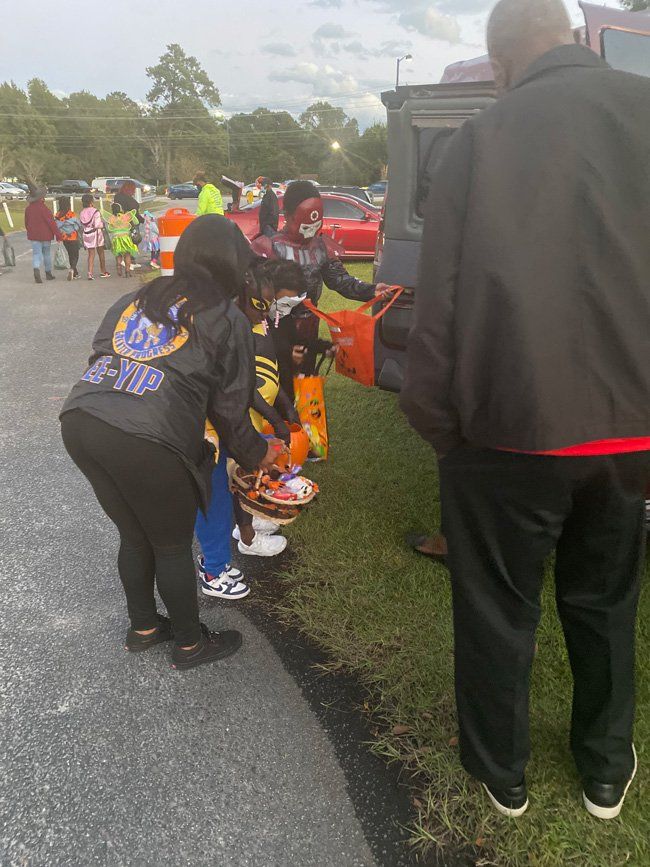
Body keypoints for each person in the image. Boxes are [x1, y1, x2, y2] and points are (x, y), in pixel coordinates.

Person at [400, 0, 650, 821]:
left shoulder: (479, 140)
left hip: (506, 430)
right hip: (629, 431)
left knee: (497, 609)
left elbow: (437, 301)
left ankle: (501, 771)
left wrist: (439, 424)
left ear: (502, 65)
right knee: (605, 602)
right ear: (575, 39)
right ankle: (604, 768)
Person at [60, 215, 283, 671]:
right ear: (232, 265)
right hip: (147, 438)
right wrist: (261, 454)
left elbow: (102, 353)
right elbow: (231, 410)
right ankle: (189, 644)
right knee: (171, 545)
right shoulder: (227, 318)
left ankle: (144, 627)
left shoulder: (134, 298)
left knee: (135, 534)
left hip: (82, 420)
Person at [251, 181, 393, 396]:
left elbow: (339, 280)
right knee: (276, 385)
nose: (310, 232)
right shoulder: (267, 247)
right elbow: (252, 297)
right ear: (287, 216)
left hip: (309, 328)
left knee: (307, 387)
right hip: (274, 330)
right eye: (305, 226)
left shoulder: (320, 246)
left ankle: (305, 415)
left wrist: (371, 290)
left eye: (315, 226)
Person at [24, 184, 62, 284]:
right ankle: (48, 273)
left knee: (36, 254)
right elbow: (52, 223)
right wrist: (58, 235)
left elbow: (26, 223)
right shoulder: (45, 209)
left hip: (34, 236)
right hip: (46, 235)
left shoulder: (28, 209)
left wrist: (30, 231)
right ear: (41, 198)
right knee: (46, 254)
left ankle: (36, 269)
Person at [102, 202, 139, 278]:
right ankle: (127, 271)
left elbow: (109, 230)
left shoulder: (111, 218)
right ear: (120, 209)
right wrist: (131, 215)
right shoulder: (125, 216)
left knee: (118, 254)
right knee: (127, 254)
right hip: (126, 238)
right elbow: (136, 222)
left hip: (116, 239)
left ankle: (119, 268)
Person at [79, 194, 109, 280]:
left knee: (91, 254)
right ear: (91, 202)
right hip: (96, 234)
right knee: (101, 252)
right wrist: (102, 224)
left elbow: (82, 224)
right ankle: (103, 271)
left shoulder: (82, 212)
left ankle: (90, 273)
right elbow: (97, 225)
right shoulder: (95, 211)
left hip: (87, 233)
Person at [55, 198, 82, 281]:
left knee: (70, 254)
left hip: (65, 238)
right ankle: (72, 269)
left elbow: (57, 226)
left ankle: (75, 273)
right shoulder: (71, 214)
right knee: (75, 255)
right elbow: (78, 224)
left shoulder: (58, 215)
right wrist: (74, 229)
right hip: (73, 237)